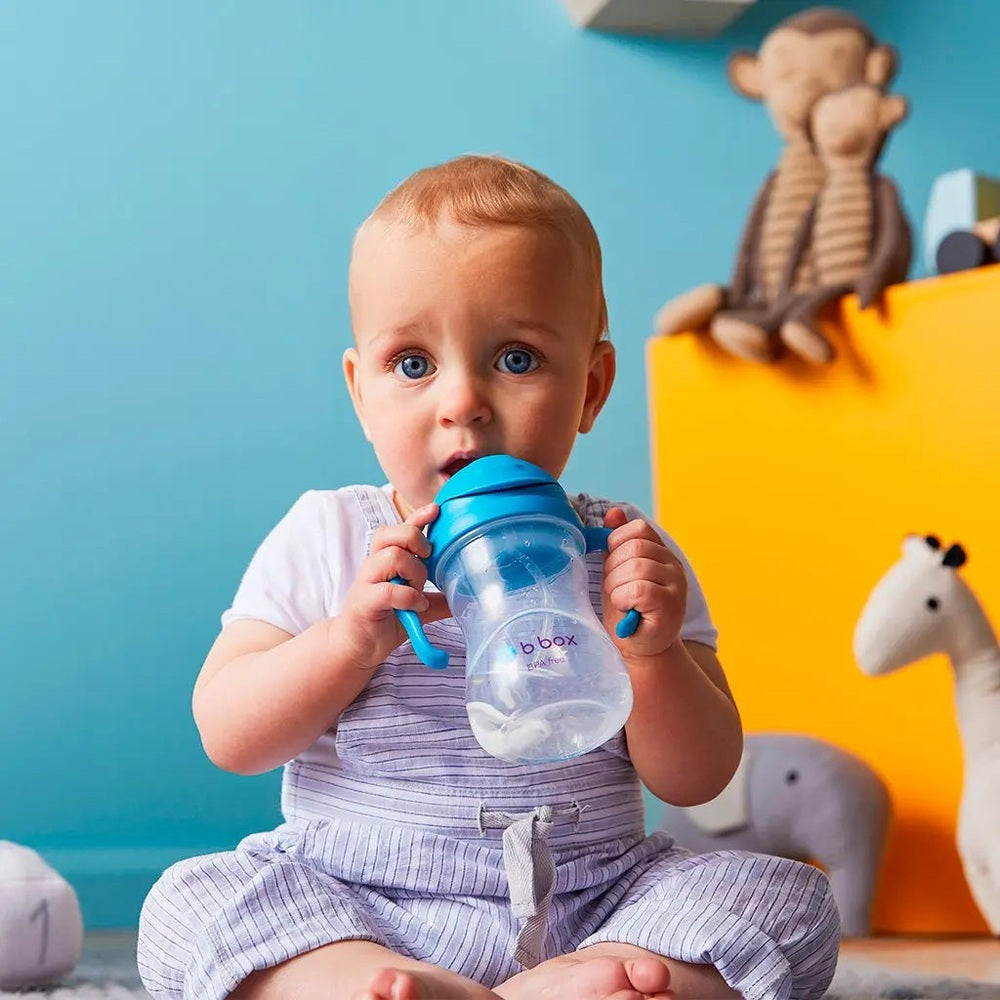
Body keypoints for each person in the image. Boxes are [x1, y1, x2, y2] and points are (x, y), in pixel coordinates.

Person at [137, 154, 840, 1000]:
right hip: (362, 908)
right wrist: (350, 638)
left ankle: (562, 983)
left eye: (515, 359)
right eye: (411, 364)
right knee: (187, 905)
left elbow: (697, 778)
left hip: (591, 904)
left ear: (591, 385)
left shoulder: (625, 554)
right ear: (361, 394)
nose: (462, 402)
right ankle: (373, 982)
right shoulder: (330, 535)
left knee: (784, 902)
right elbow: (229, 733)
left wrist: (652, 658)